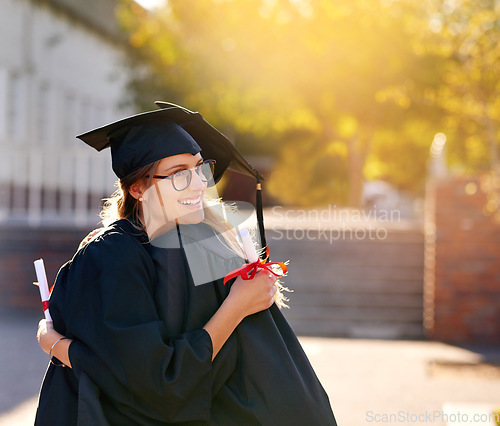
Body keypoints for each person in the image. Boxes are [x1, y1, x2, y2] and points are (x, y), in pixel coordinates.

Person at [35, 102, 337, 425]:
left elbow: (168, 382)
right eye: (179, 174)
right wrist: (235, 306)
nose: (198, 184)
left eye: (199, 168)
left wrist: (57, 346)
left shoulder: (209, 244)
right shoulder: (113, 255)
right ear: (138, 188)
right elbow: (160, 384)